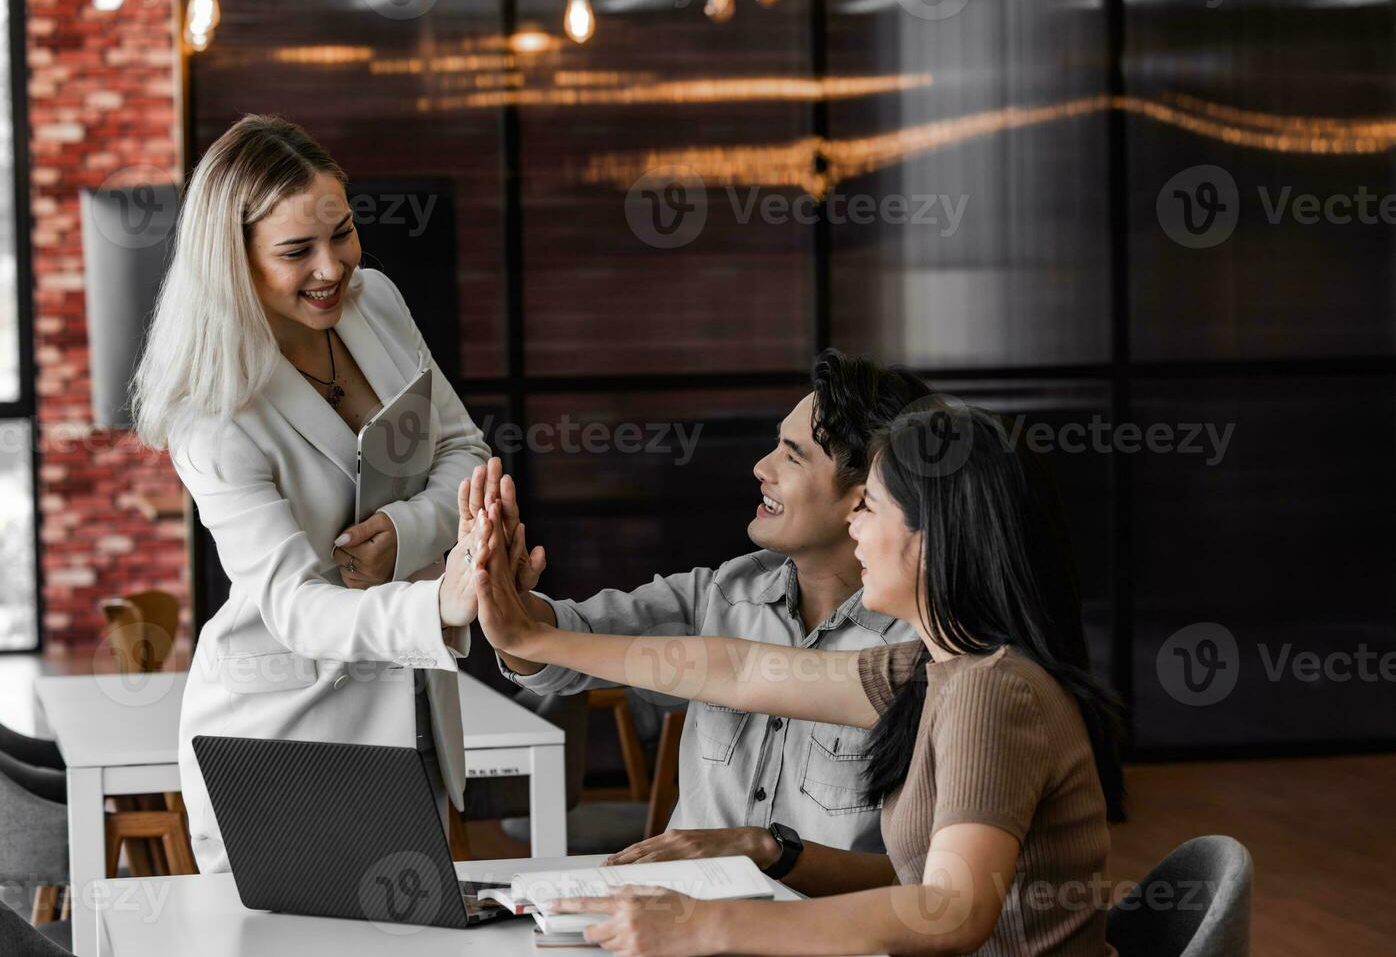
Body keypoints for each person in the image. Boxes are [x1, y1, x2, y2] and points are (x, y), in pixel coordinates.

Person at [464, 399, 1125, 956]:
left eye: (869, 505)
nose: (852, 524)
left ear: (932, 537)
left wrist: (707, 924)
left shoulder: (995, 691)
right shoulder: (936, 670)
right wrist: (531, 635)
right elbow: (741, 669)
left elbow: (951, 908)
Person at [131, 114, 496, 873]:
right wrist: (440, 604)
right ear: (233, 262)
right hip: (276, 741)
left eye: (344, 232)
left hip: (410, 718)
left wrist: (408, 527)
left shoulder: (379, 303)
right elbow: (294, 607)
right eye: (297, 251)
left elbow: (464, 449)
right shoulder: (212, 413)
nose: (334, 267)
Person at [486, 351, 930, 896]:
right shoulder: (724, 590)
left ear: (864, 498)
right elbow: (564, 646)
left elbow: (919, 882)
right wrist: (505, 599)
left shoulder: (922, 647)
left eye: (791, 457)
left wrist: (766, 850)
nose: (760, 468)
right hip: (677, 921)